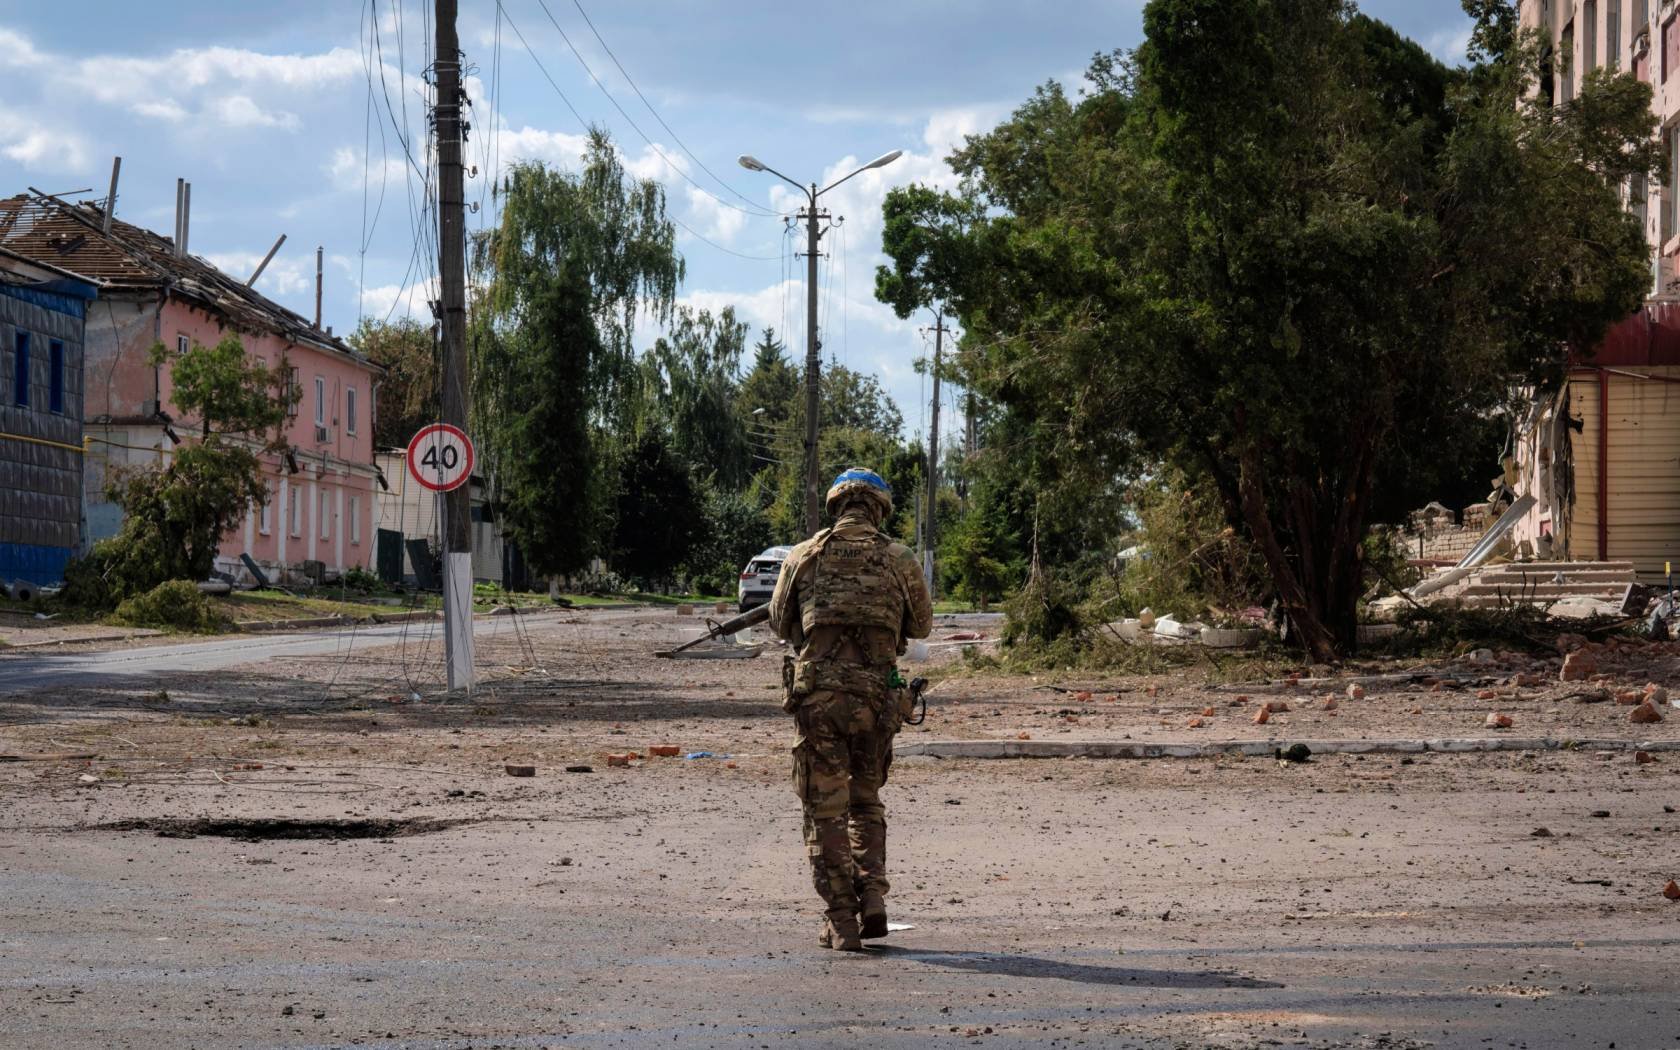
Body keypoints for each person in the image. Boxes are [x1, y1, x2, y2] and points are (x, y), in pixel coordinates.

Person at [766, 467, 934, 951]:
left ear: (837, 506)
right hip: (877, 701)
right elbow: (921, 626)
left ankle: (841, 918)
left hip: (820, 701)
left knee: (825, 810)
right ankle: (874, 897)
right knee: (865, 800)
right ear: (879, 508)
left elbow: (780, 621)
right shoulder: (898, 558)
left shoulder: (805, 555)